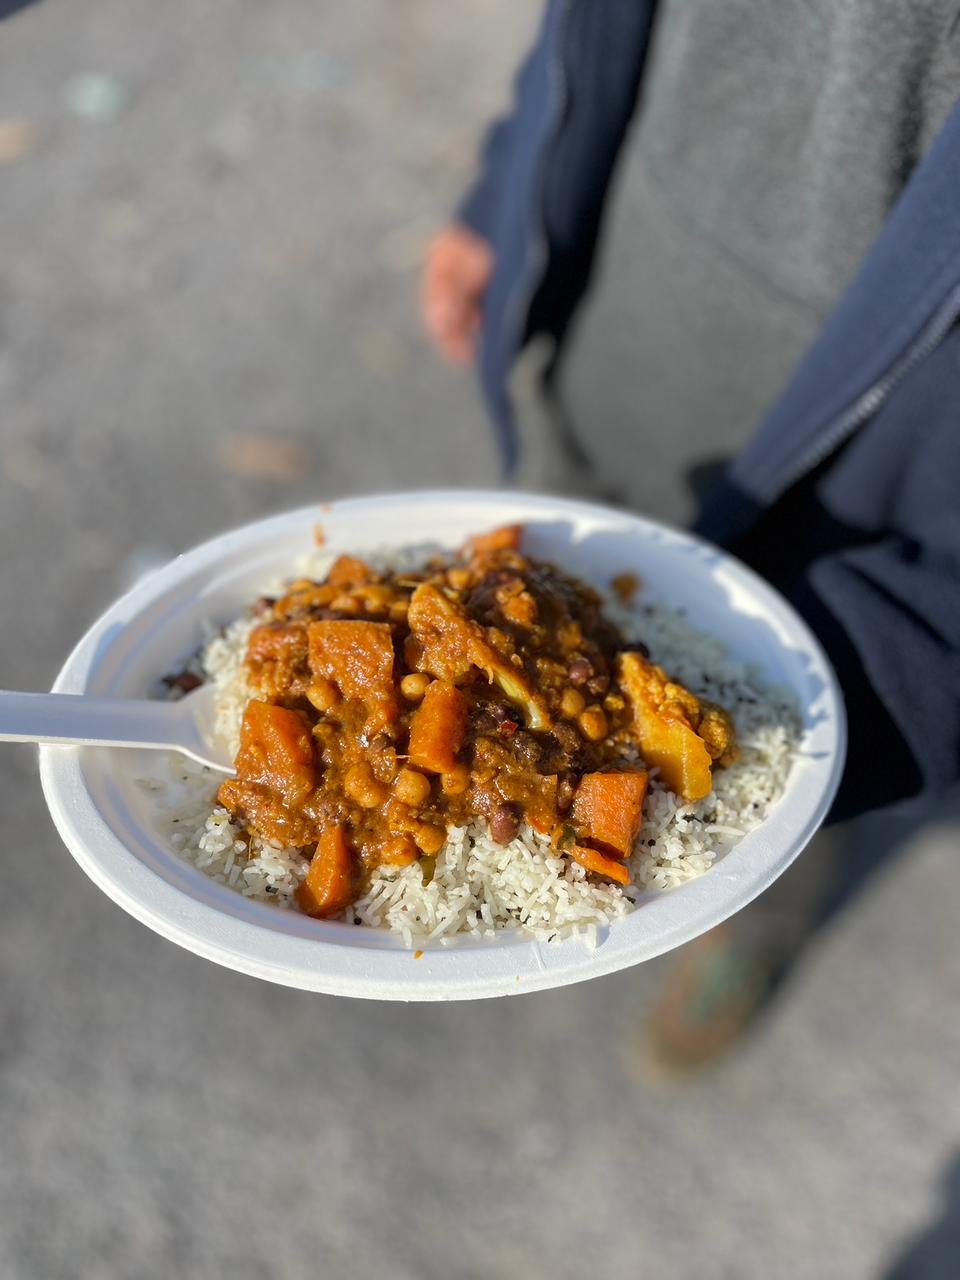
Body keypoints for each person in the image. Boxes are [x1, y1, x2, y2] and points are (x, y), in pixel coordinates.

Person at [422, 0, 960, 1062]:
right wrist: (511, 178)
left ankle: (756, 908)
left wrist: (889, 668)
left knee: (777, 771)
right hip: (628, 321)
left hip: (869, 507)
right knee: (530, 590)